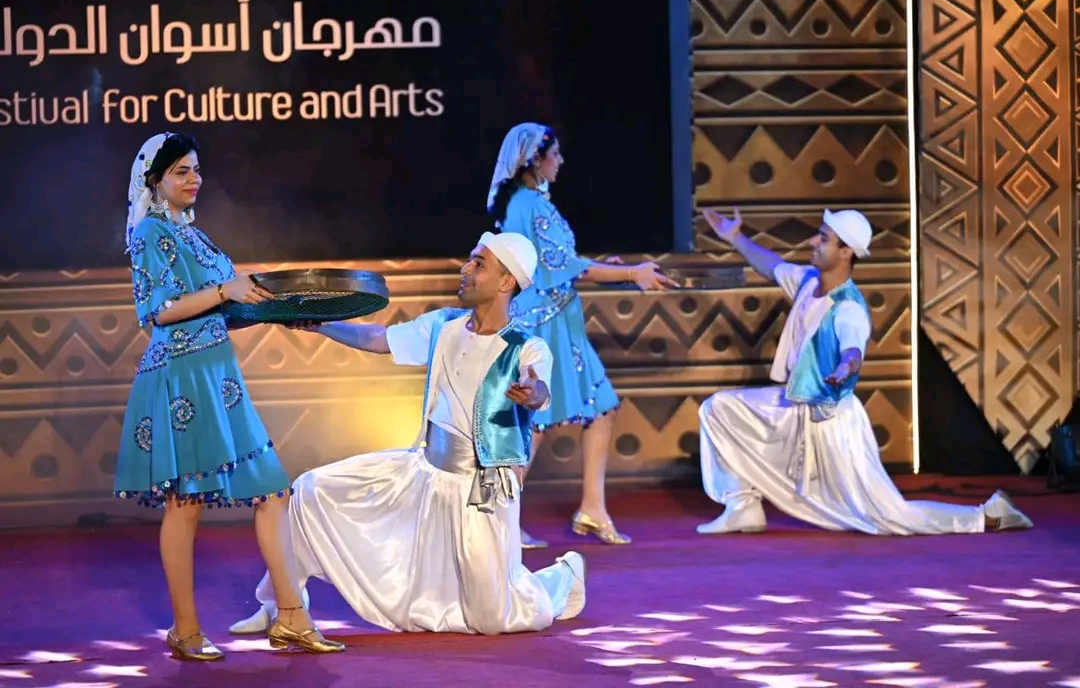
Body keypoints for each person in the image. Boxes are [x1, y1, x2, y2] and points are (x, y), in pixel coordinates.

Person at [227, 231, 586, 637]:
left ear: (506, 282)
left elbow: (539, 389)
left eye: (479, 264)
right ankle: (281, 603)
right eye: (470, 259)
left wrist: (533, 392)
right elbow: (379, 339)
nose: (466, 269)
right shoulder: (444, 325)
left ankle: (563, 576)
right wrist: (322, 325)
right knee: (312, 491)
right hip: (425, 473)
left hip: (480, 492)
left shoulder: (528, 347)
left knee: (492, 618)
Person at [113, 133, 344, 659]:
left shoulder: (192, 234)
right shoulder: (150, 232)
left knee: (273, 491)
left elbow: (218, 311)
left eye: (196, 169)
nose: (194, 179)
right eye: (181, 171)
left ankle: (291, 617)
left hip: (219, 375)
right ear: (155, 180)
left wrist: (276, 314)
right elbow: (160, 311)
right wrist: (225, 290)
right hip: (182, 376)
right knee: (187, 502)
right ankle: (185, 630)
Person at [695, 206, 1034, 536]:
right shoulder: (807, 282)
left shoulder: (849, 308)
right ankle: (742, 505)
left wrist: (845, 367)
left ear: (846, 251)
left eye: (823, 238)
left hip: (832, 421)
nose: (813, 242)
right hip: (794, 405)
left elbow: (852, 348)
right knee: (719, 409)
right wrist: (735, 237)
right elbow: (773, 266)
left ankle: (988, 516)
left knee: (887, 516)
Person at [488, 122, 679, 548]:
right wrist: (631, 272)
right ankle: (500, 519)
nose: (561, 161)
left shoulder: (530, 202)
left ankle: (592, 507)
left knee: (601, 406)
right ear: (534, 160)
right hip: (544, 324)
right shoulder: (527, 204)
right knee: (535, 420)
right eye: (554, 154)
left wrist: (604, 268)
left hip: (562, 321)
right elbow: (560, 269)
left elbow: (563, 264)